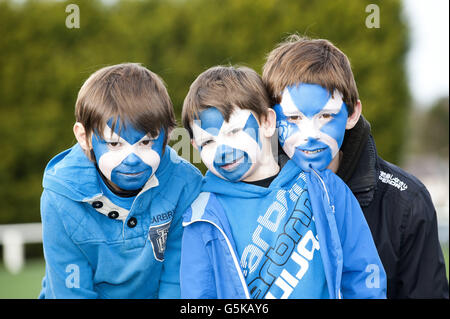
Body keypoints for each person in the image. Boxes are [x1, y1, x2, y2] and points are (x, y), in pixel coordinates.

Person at [262, 35, 449, 299]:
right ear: (270, 119)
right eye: (293, 118)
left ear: (352, 114)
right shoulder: (250, 194)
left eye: (325, 115)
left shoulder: (406, 202)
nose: (310, 133)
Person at [180, 65, 386, 299]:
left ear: (268, 122)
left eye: (234, 131)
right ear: (195, 147)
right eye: (208, 142)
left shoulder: (324, 186)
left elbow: (363, 273)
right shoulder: (202, 217)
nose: (223, 151)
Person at [39, 63, 202, 298]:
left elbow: (176, 282)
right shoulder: (60, 197)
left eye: (146, 142)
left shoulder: (185, 184)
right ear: (83, 137)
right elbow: (72, 291)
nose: (132, 159)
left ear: (167, 135)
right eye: (114, 144)